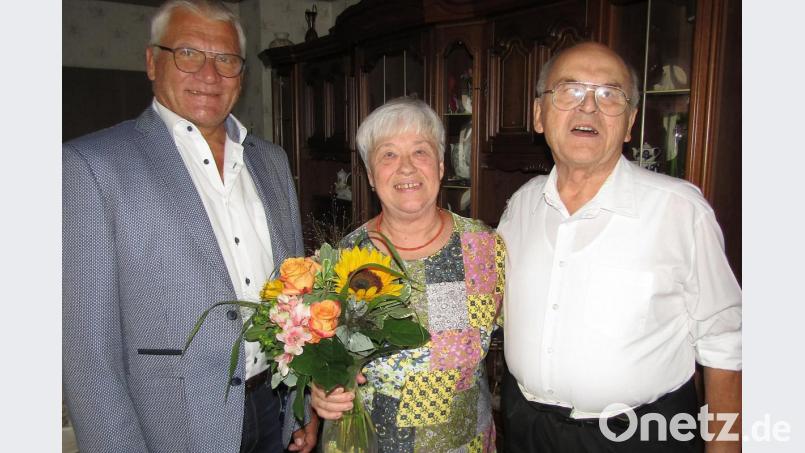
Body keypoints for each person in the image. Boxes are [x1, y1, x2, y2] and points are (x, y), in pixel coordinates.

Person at [62, 1, 317, 452]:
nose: (209, 74)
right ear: (151, 61)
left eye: (225, 59)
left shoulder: (272, 161)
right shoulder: (91, 166)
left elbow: (299, 304)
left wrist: (302, 407)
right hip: (173, 425)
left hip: (272, 408)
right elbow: (88, 356)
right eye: (188, 53)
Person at [497, 41, 742, 452]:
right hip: (528, 429)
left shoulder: (680, 209)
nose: (588, 107)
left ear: (629, 123)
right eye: (569, 90)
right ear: (539, 114)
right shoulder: (521, 205)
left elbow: (727, 347)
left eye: (610, 94)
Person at [310, 97, 505, 452]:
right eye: (388, 155)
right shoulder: (343, 259)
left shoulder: (485, 249)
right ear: (370, 175)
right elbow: (322, 356)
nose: (406, 168)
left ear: (442, 166)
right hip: (369, 443)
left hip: (465, 444)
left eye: (420, 151)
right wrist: (321, 389)